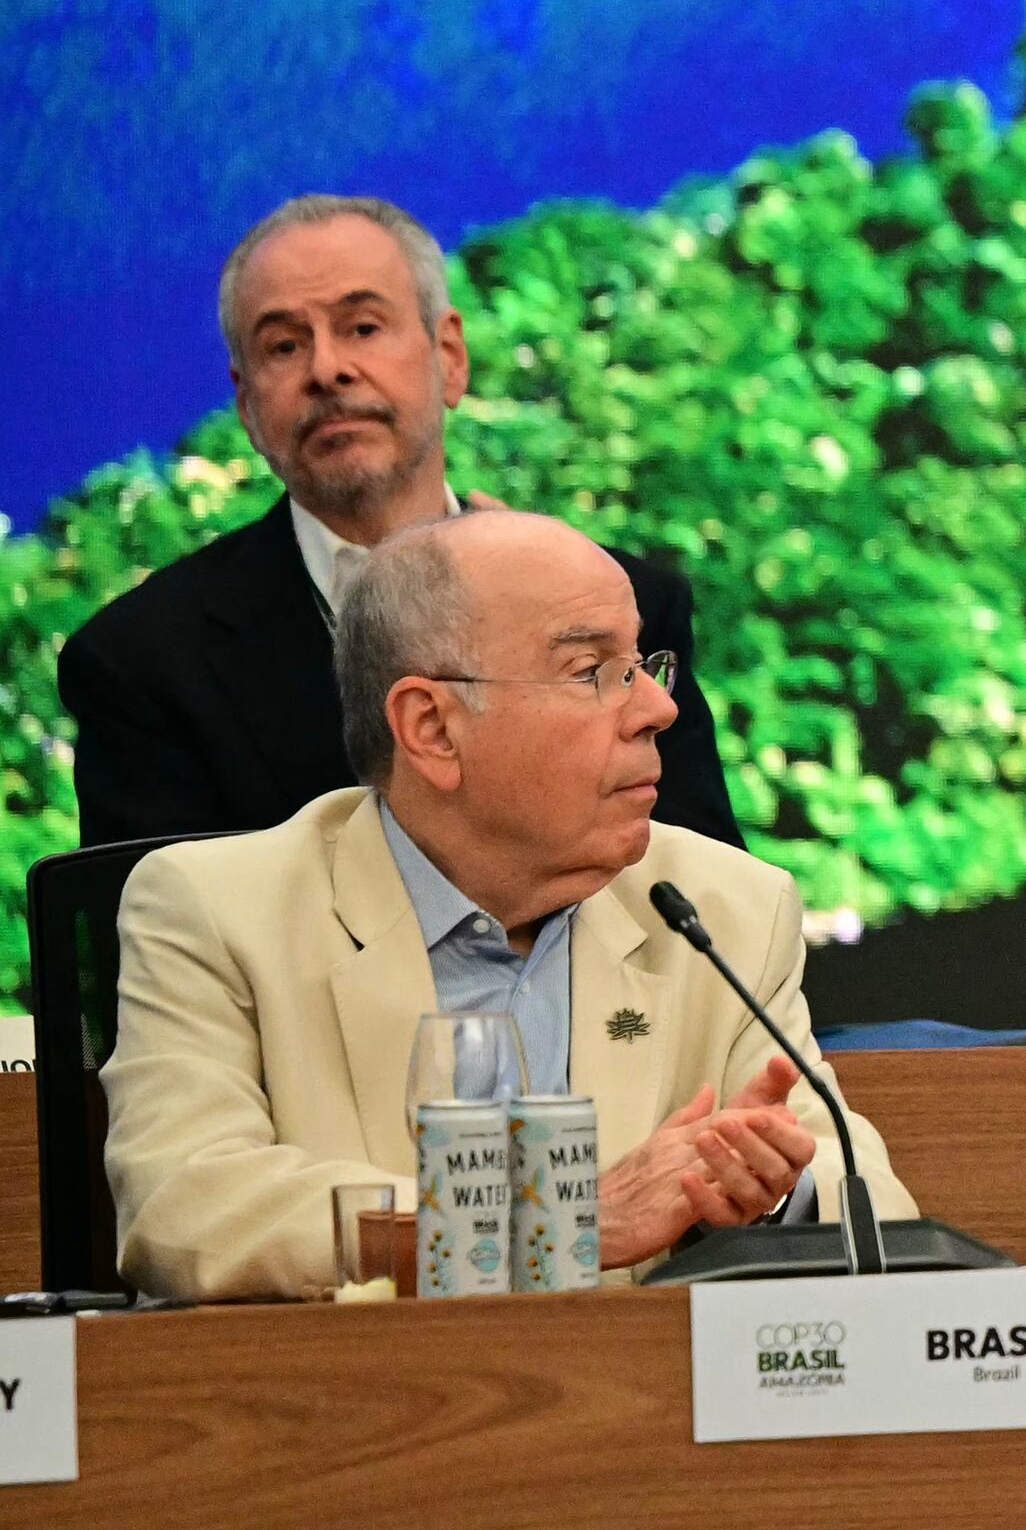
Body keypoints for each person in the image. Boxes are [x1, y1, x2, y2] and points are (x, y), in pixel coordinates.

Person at [104, 511, 898, 1302]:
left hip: (639, 1408)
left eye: (644, 664)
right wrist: (555, 1223)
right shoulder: (218, 909)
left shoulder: (723, 906)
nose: (659, 708)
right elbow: (188, 1206)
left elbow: (868, 1195)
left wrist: (761, 1196)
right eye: (594, 670)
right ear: (432, 727)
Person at [61, 196, 744, 852]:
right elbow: (162, 952)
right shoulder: (142, 663)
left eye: (362, 327)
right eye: (284, 346)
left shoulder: (630, 609)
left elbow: (710, 915)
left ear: (449, 355)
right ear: (245, 404)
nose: (327, 369)